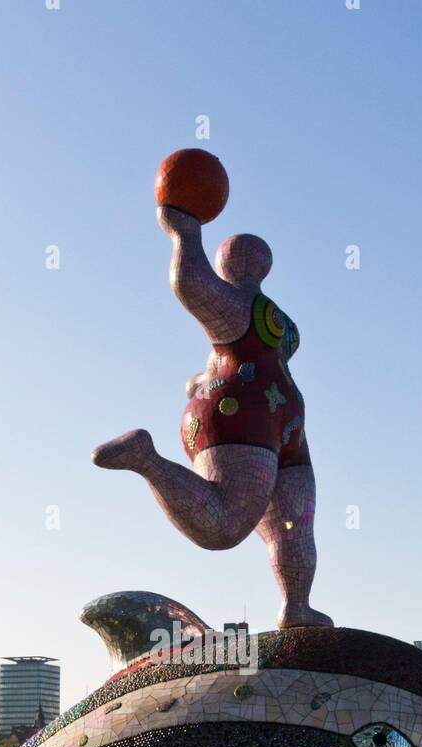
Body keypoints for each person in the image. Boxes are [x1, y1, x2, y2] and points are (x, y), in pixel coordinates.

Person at [92, 205, 332, 629]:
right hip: (249, 419)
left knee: (292, 528)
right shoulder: (269, 317)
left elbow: (194, 286)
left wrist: (184, 230)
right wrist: (184, 229)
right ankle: (146, 458)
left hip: (275, 425)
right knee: (224, 527)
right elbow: (190, 286)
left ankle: (297, 605)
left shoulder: (264, 314)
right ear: (260, 264)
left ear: (228, 263)